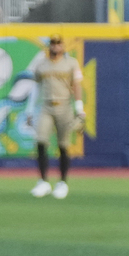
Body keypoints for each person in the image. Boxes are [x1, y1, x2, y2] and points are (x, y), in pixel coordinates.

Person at [30, 34, 87, 200]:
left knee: (63, 145)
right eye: (53, 43)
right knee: (41, 141)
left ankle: (62, 183)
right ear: (49, 46)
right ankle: (43, 182)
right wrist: (29, 110)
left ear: (63, 46)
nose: (55, 46)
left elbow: (76, 86)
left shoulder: (71, 63)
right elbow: (36, 87)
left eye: (58, 43)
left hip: (64, 106)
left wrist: (79, 108)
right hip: (47, 106)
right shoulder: (41, 64)